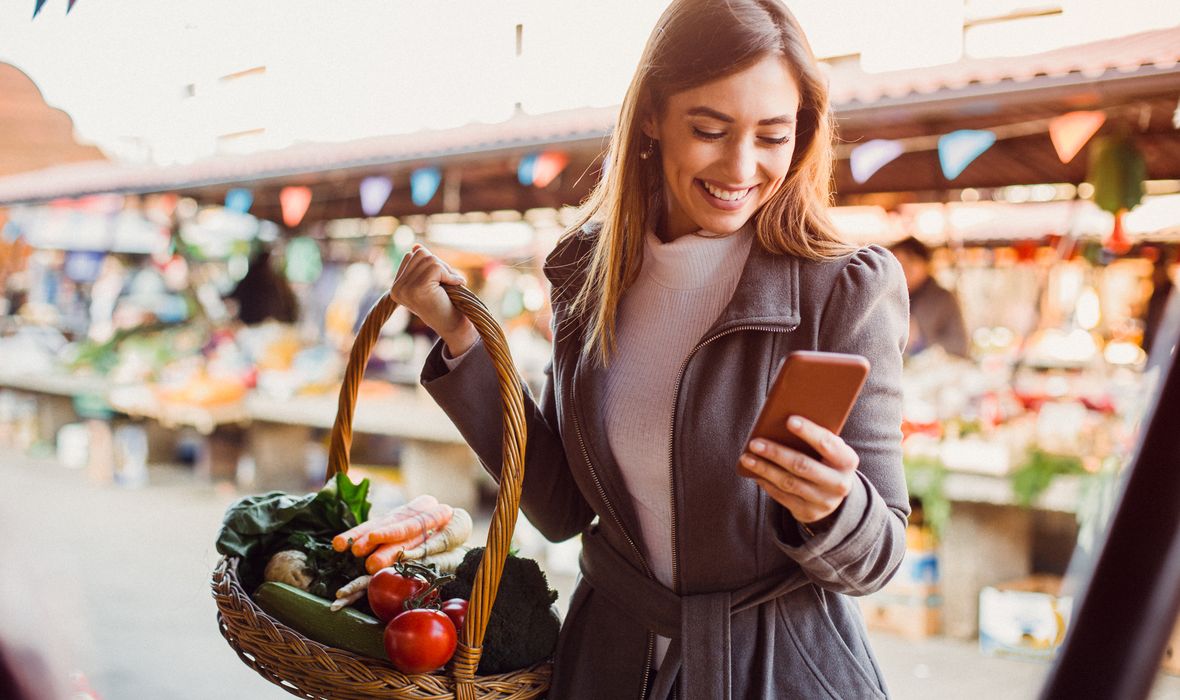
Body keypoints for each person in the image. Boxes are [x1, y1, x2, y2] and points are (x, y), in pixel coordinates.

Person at [390, 1, 909, 696]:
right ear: (652, 118)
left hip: (777, 670)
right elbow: (561, 507)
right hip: (610, 661)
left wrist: (835, 507)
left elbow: (877, 560)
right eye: (709, 129)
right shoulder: (588, 272)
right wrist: (460, 337)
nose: (741, 166)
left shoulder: (844, 287)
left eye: (772, 136)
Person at [888, 236, 969, 359]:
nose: (903, 270)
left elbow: (960, 345)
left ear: (926, 264)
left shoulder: (943, 299)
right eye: (898, 264)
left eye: (909, 263)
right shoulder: (886, 297)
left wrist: (920, 343)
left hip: (933, 373)